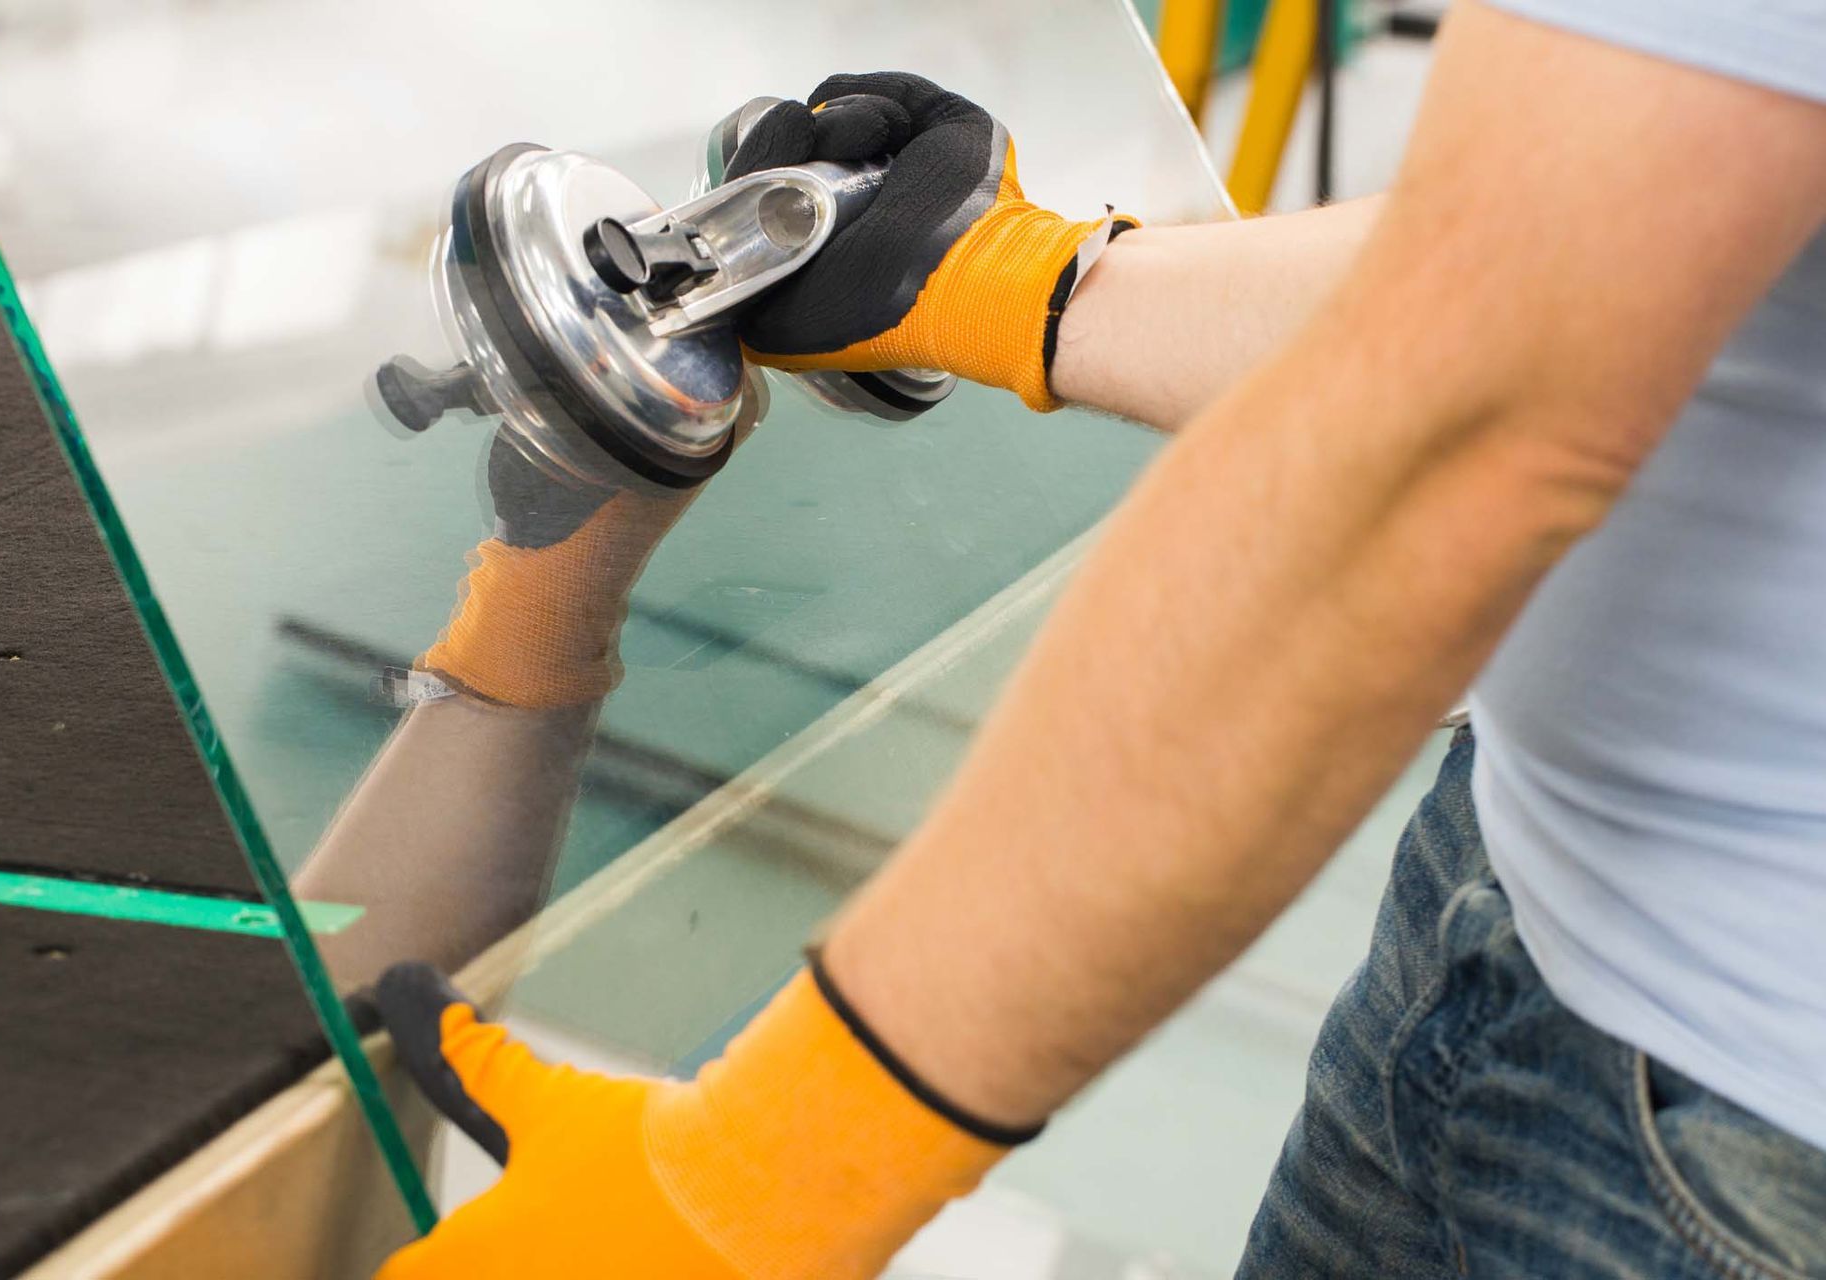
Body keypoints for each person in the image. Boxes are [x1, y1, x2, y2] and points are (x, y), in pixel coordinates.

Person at [368, 1, 1826, 1275]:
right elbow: (1579, 243)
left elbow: (1465, 419)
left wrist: (760, 1175)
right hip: (1527, 889)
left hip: (1717, 1112)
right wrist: (1017, 281)